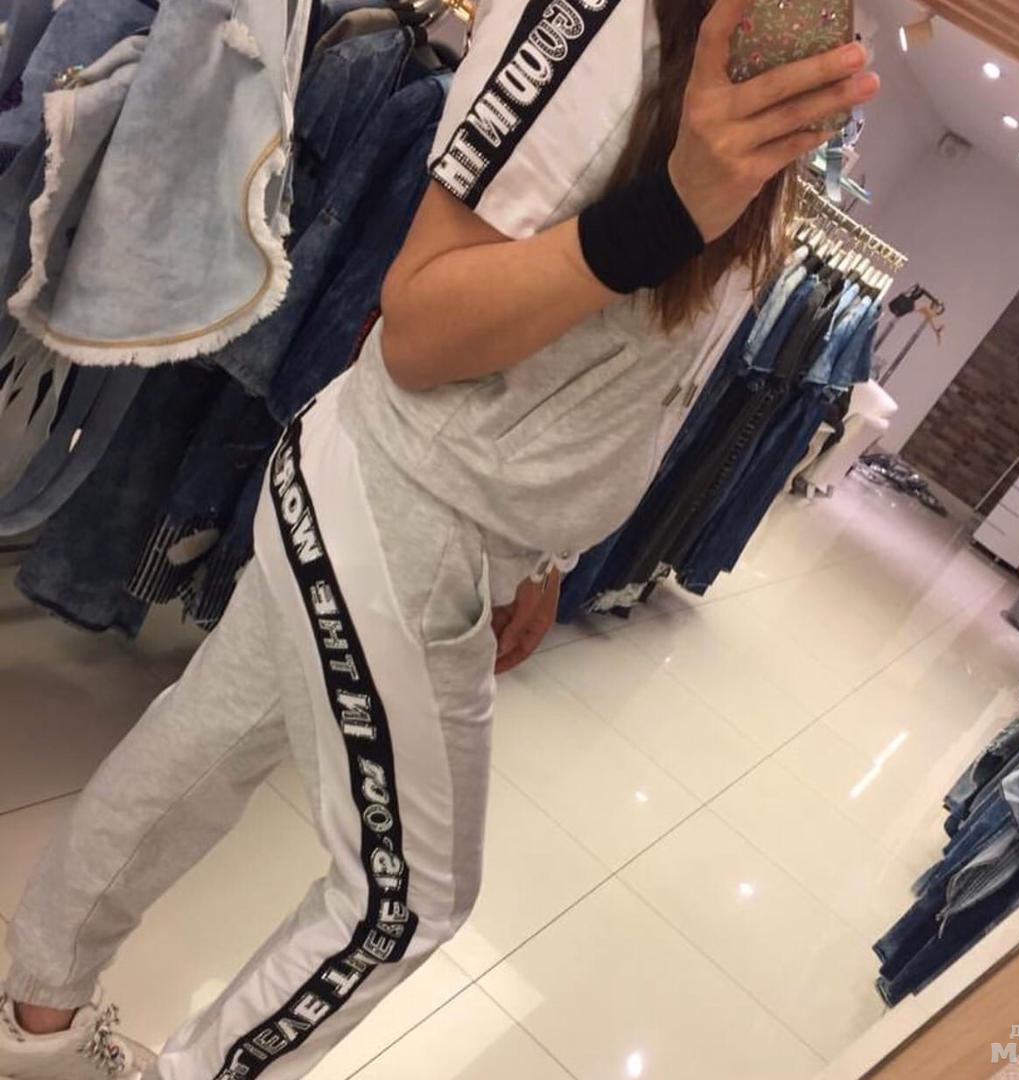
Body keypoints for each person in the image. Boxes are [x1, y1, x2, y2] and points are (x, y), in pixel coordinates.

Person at [0, 0, 879, 1076]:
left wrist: (547, 554)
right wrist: (673, 208)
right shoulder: (594, 24)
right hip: (410, 506)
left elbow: (641, 367)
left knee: (204, 748)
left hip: (448, 508)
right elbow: (420, 323)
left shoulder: (746, 42)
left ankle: (33, 1016)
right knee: (404, 903)